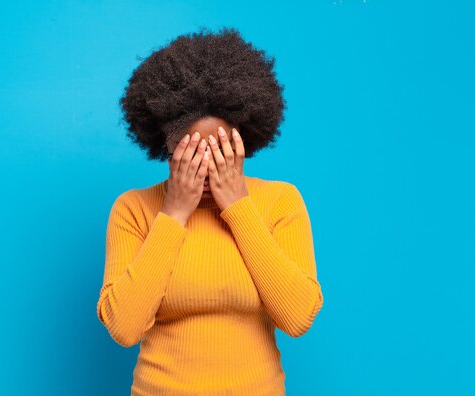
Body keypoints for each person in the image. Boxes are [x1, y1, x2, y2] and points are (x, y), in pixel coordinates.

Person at [96, 26, 324, 395]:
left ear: (242, 143)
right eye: (189, 154)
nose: (205, 168)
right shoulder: (134, 209)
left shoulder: (281, 202)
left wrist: (238, 206)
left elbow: (297, 317)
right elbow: (124, 328)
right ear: (167, 149)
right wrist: (172, 215)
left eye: (219, 152)